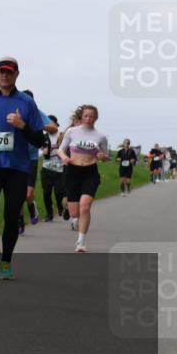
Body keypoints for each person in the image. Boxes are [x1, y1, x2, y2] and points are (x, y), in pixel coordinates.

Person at [0, 58, 48, 280]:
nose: (4, 76)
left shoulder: (27, 102)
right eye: (1, 72)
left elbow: (39, 140)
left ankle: (6, 260)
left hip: (17, 169)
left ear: (17, 74)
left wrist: (22, 126)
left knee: (11, 216)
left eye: (9, 72)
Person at [56, 105, 110, 252]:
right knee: (75, 212)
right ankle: (75, 219)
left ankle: (80, 242)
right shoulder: (72, 132)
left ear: (96, 118)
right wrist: (65, 157)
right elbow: (60, 150)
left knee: (85, 207)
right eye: (86, 116)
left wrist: (102, 156)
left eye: (91, 116)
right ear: (81, 117)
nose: (88, 119)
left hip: (90, 173)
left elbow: (106, 156)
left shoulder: (100, 136)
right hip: (72, 172)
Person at [18, 90, 57, 232]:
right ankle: (20, 221)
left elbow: (53, 127)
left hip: (31, 159)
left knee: (28, 194)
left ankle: (32, 207)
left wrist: (39, 125)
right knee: (17, 194)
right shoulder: (14, 110)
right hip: (15, 158)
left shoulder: (37, 113)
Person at [39, 115, 65, 221]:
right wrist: (43, 150)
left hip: (60, 169)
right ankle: (49, 213)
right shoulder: (43, 137)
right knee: (46, 193)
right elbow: (40, 149)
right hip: (47, 168)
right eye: (46, 124)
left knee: (59, 192)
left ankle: (60, 207)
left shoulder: (62, 135)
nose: (48, 126)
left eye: (50, 123)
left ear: (55, 125)